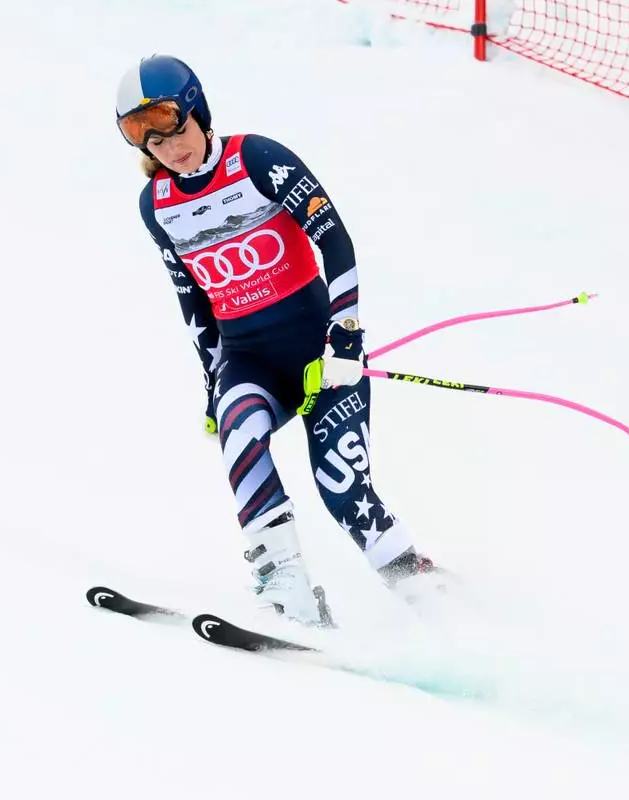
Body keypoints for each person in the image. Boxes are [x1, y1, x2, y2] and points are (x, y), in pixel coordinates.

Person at [115, 54, 440, 625]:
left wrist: (345, 339)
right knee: (238, 428)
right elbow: (193, 302)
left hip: (322, 355)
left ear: (198, 112)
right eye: (153, 142)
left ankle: (427, 595)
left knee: (342, 488)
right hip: (250, 362)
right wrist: (213, 383)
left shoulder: (257, 159)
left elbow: (334, 241)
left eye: (175, 128)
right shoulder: (156, 206)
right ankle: (287, 589)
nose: (169, 148)